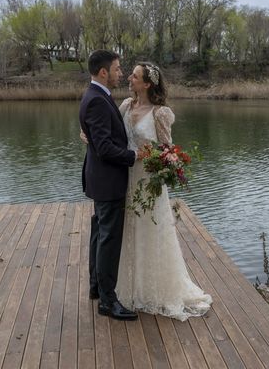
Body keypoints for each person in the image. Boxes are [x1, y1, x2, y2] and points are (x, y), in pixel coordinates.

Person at [116, 62, 212, 321]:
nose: (129, 78)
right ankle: (129, 286)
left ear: (147, 84)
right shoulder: (125, 105)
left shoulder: (160, 113)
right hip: (126, 179)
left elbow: (167, 149)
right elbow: (113, 137)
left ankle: (154, 290)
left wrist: (154, 157)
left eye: (134, 76)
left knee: (150, 230)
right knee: (129, 230)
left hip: (149, 181)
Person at [79, 50, 139, 321]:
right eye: (117, 69)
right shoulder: (97, 101)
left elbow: (97, 138)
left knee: (99, 233)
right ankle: (108, 301)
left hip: (100, 179)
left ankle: (96, 288)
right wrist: (134, 156)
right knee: (109, 239)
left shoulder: (96, 96)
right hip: (108, 180)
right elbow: (104, 147)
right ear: (103, 72)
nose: (121, 73)